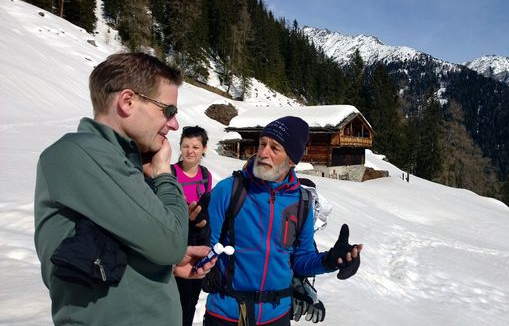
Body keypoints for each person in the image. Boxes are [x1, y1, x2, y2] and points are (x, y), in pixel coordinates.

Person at [34, 52, 215, 325]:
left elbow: (109, 248)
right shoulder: (81, 153)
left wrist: (166, 265)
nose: (174, 123)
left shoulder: (123, 164)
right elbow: (171, 240)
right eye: (168, 111)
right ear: (128, 101)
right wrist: (165, 173)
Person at [204, 116, 364, 326]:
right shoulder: (229, 190)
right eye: (262, 144)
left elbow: (301, 260)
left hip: (276, 316)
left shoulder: (302, 202)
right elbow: (204, 248)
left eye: (274, 148)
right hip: (226, 313)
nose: (263, 153)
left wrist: (331, 261)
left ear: (292, 160)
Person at [172, 125, 213, 326]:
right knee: (177, 297)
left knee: (192, 297)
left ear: (204, 149)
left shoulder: (206, 175)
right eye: (186, 146)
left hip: (199, 240)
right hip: (177, 239)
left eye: (195, 147)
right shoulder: (170, 172)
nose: (190, 151)